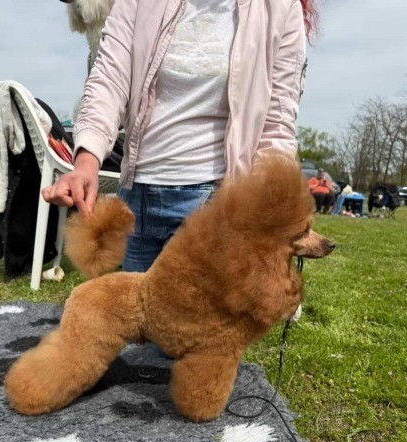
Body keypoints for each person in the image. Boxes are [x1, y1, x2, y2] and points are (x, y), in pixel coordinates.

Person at [43, 0, 320, 273]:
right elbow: (108, 79)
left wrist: (265, 206)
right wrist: (86, 164)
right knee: (136, 304)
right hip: (136, 199)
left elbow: (277, 124)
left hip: (214, 204)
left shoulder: (280, 9)